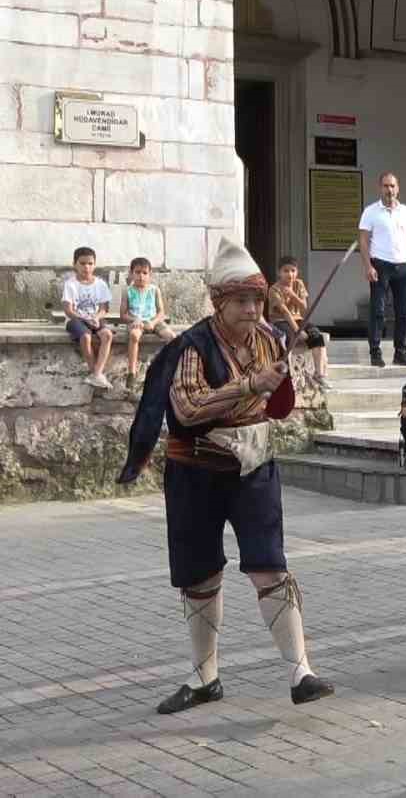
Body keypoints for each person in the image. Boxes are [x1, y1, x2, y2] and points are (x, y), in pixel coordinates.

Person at [118, 237, 335, 716]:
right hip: (196, 471)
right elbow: (187, 407)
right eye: (241, 301)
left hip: (254, 468)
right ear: (218, 302)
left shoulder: (270, 339)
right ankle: (204, 678)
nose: (252, 309)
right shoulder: (191, 348)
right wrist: (249, 385)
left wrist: (279, 378)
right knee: (200, 574)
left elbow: (277, 405)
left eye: (258, 300)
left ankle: (302, 670)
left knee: (269, 565)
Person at [358, 172, 406, 368]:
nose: (389, 190)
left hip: (403, 266)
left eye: (392, 186)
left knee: (403, 312)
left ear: (398, 188)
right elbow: (363, 240)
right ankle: (375, 352)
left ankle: (400, 352)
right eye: (385, 186)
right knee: (378, 310)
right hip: (380, 265)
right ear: (380, 188)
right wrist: (368, 266)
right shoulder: (370, 212)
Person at [268, 256, 329, 387]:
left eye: (293, 270)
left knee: (316, 336)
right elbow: (284, 312)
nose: (290, 274)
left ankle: (319, 374)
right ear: (279, 272)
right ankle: (286, 377)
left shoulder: (299, 284)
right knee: (289, 338)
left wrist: (292, 294)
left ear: (297, 272)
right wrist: (298, 331)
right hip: (280, 320)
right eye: (286, 271)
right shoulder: (274, 290)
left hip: (299, 319)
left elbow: (304, 307)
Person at [63, 246, 114, 389]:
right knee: (85, 337)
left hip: (94, 318)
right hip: (76, 319)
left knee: (107, 335)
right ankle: (95, 373)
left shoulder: (100, 284)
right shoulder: (71, 284)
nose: (87, 267)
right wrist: (85, 319)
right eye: (83, 263)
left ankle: (96, 374)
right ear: (75, 265)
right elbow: (68, 310)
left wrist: (97, 317)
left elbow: (104, 308)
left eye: (90, 263)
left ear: (95, 265)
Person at [121, 257, 177, 387]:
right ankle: (132, 372)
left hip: (154, 321)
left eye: (144, 273)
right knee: (134, 336)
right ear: (131, 273)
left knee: (172, 337)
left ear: (150, 274)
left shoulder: (154, 290)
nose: (141, 276)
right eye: (137, 272)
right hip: (136, 322)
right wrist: (134, 319)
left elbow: (161, 312)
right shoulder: (127, 291)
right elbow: (123, 315)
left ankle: (170, 368)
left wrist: (153, 322)